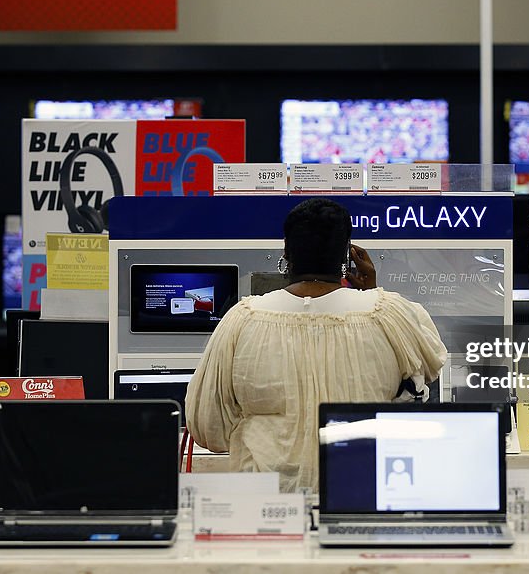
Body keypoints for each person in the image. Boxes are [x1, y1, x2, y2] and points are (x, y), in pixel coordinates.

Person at [186, 197, 447, 492]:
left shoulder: (242, 320)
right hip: (362, 494)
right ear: (347, 256)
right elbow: (422, 388)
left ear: (286, 251)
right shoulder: (390, 314)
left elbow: (206, 426)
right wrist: (372, 293)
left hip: (266, 504)